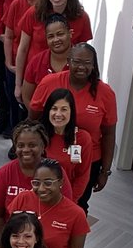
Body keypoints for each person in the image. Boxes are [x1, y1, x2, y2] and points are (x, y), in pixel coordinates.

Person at [30, 44, 117, 212]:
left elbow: (109, 134)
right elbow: (33, 120)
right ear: (68, 61)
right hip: (49, 157)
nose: (82, 67)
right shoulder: (50, 82)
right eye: (77, 61)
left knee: (78, 207)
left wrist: (105, 171)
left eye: (87, 63)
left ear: (94, 65)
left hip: (86, 162)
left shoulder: (105, 93)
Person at [14, 0, 93, 105]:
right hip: (34, 78)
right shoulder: (34, 13)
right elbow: (22, 49)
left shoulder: (82, 17)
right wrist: (18, 84)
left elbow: (82, 55)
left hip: (67, 82)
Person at [0, 120, 67, 246]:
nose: (26, 150)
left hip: (46, 240)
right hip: (9, 238)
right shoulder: (4, 173)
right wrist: (10, 244)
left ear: (43, 146)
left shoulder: (56, 171)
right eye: (20, 145)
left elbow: (65, 210)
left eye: (32, 145)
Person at [0, 0, 46, 136]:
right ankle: (16, 139)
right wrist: (8, 62)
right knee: (14, 102)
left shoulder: (46, 9)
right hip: (16, 65)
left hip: (37, 69)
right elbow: (8, 37)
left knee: (32, 106)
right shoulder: (16, 4)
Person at [39, 88, 94, 200]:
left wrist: (69, 201)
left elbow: (82, 176)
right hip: (39, 195)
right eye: (54, 108)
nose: (58, 114)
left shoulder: (82, 139)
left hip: (67, 198)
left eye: (64, 109)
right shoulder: (38, 135)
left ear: (71, 112)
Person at [19, 13, 73, 111]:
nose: (56, 40)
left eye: (60, 34)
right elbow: (27, 97)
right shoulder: (36, 62)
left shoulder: (80, 62)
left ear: (70, 33)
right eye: (51, 36)